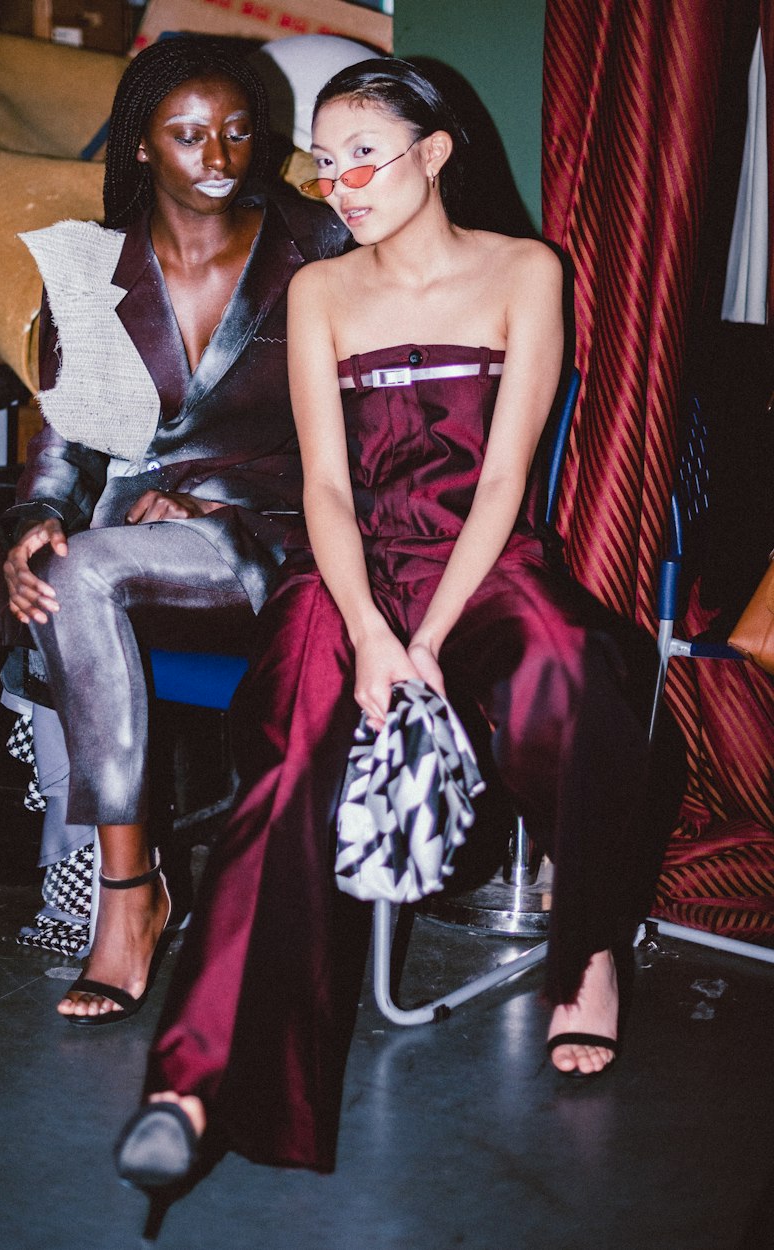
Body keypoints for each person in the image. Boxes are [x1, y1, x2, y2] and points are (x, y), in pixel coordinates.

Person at [113, 58, 683, 1187]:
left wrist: (431, 641)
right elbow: (324, 487)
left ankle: (590, 954)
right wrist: (374, 631)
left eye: (365, 154)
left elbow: (507, 478)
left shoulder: (527, 270)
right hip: (349, 569)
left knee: (572, 677)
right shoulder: (322, 291)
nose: (341, 183)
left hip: (483, 555)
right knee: (287, 756)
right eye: (323, 162)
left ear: (436, 151)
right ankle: (189, 1082)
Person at [0, 36, 349, 1015]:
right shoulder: (89, 267)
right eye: (189, 133)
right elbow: (68, 445)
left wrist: (219, 503)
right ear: (139, 147)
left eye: (238, 131)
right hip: (113, 552)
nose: (218, 154)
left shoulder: (317, 246)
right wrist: (36, 522)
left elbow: (365, 439)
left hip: (263, 548)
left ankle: (133, 893)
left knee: (95, 570)